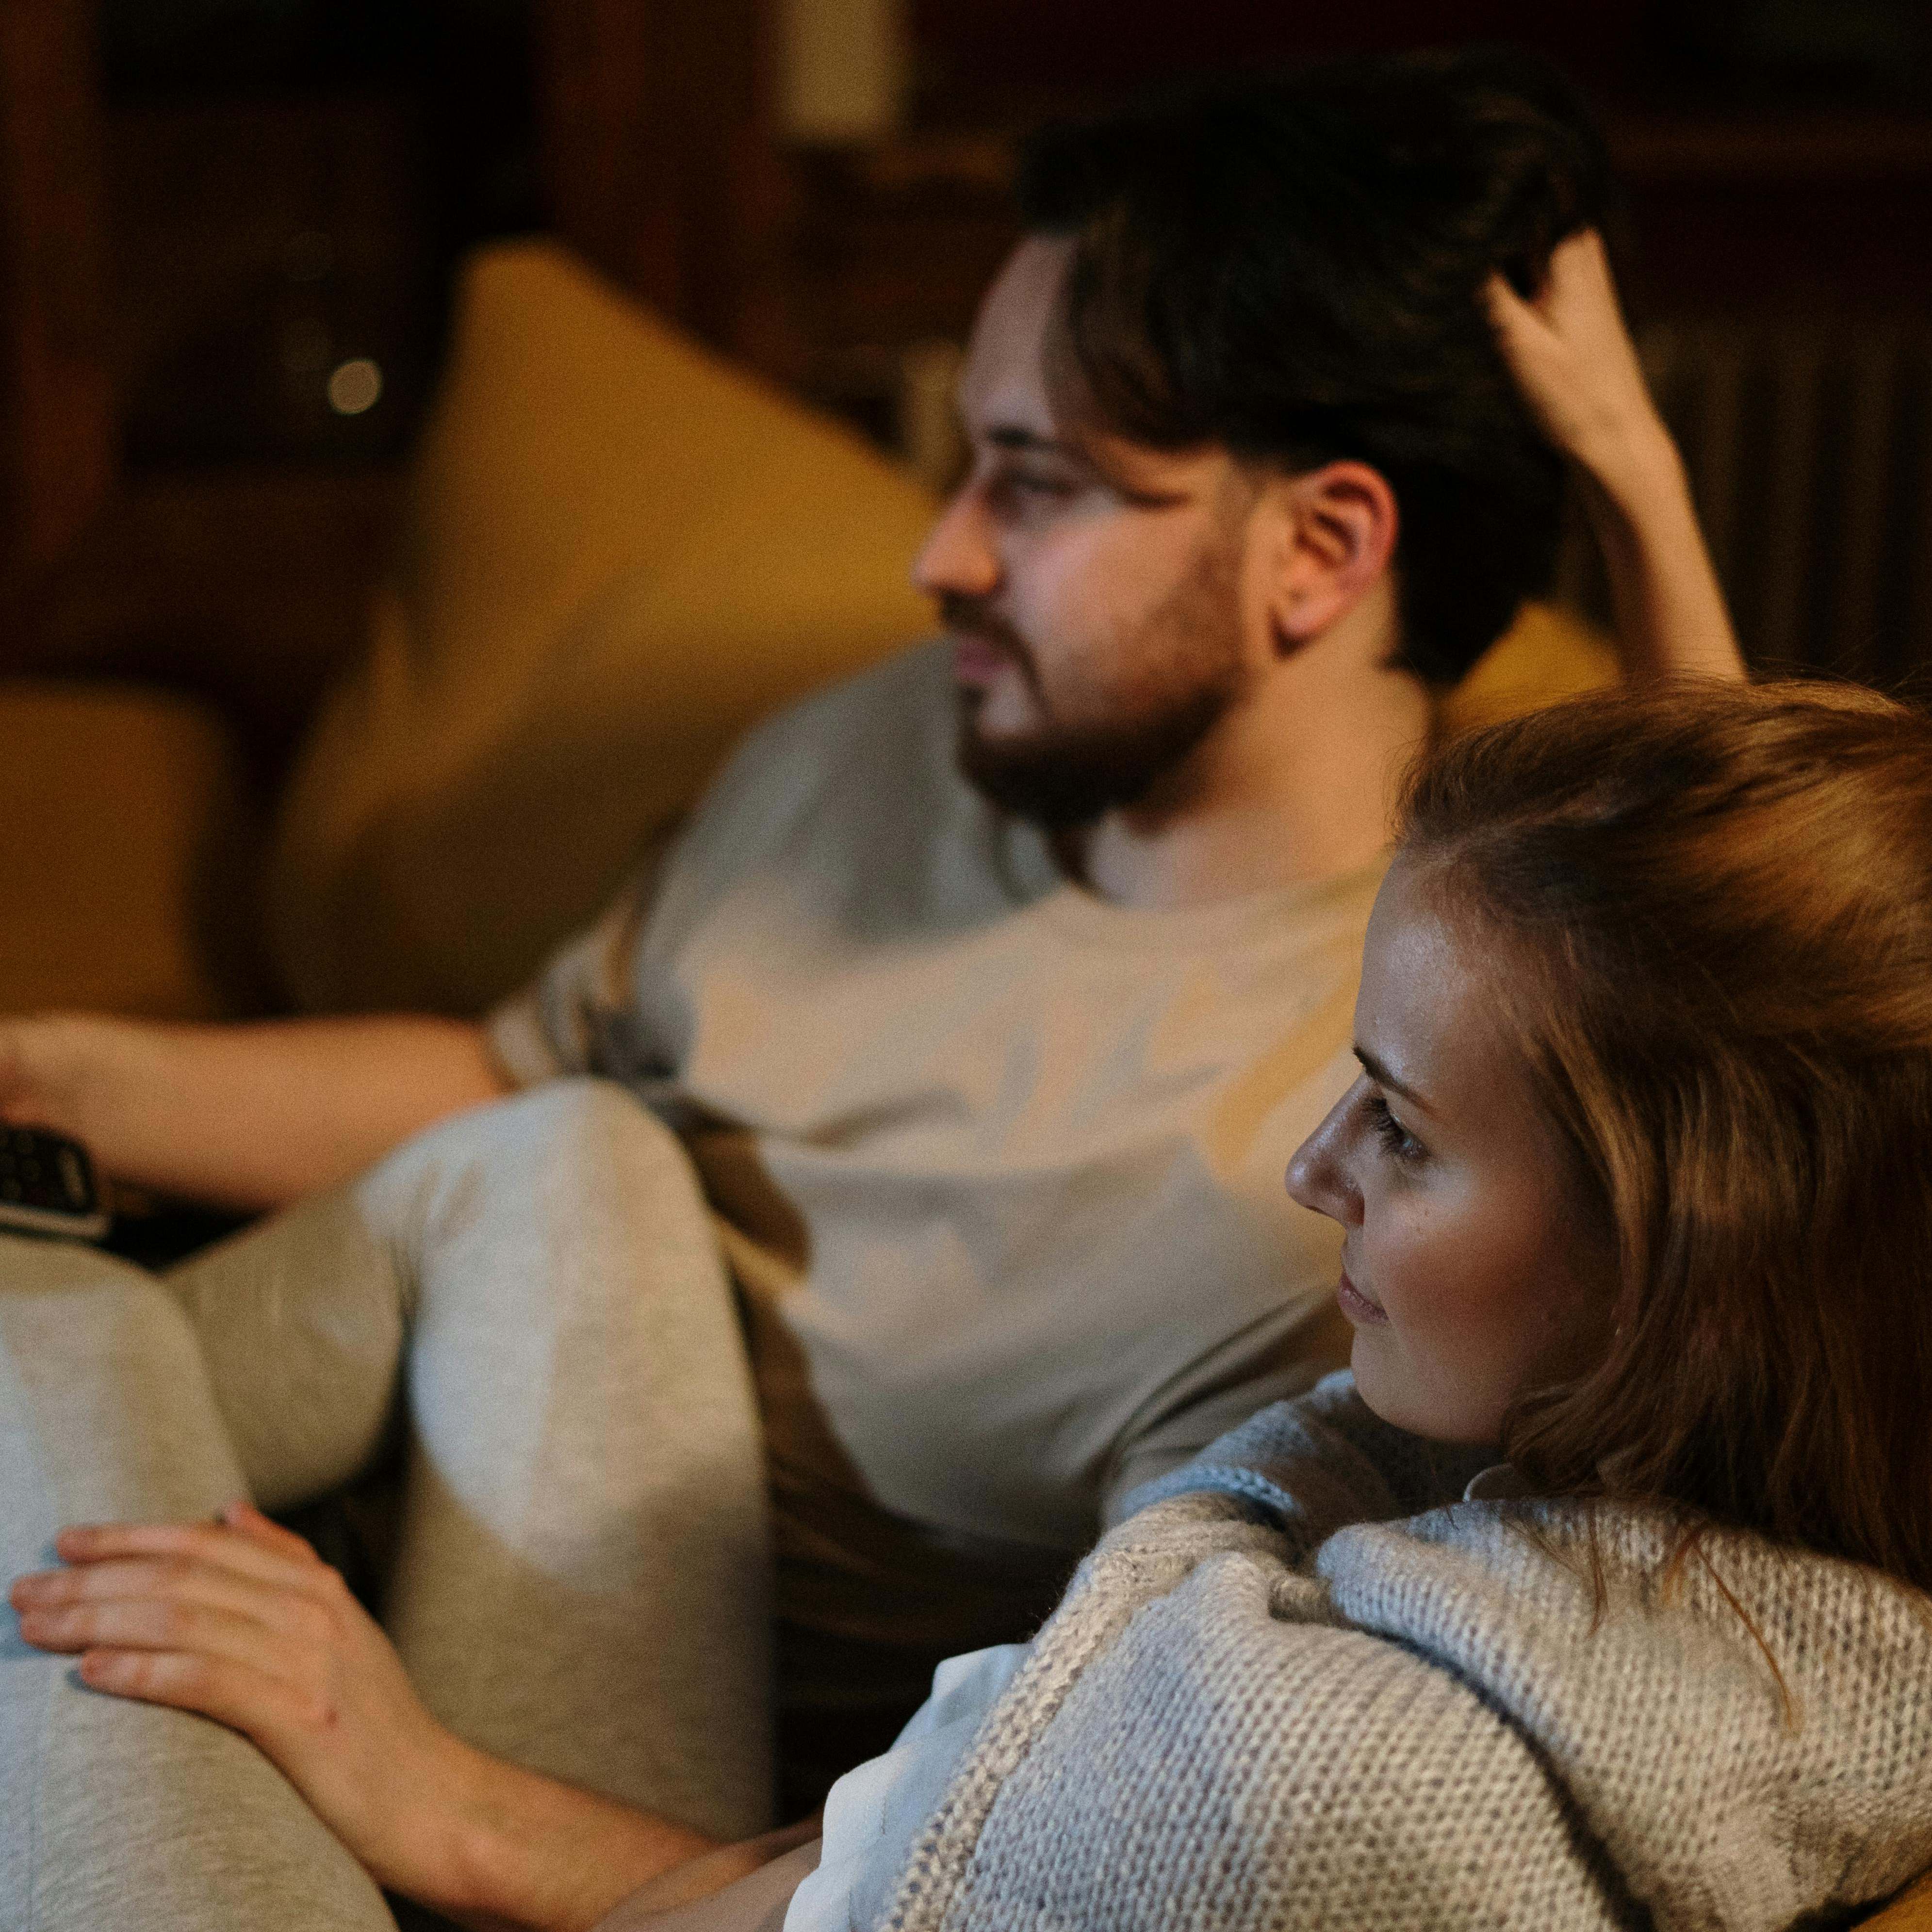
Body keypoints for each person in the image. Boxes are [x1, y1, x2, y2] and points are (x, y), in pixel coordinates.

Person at [0, 44, 1744, 1895]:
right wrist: (52, 1079)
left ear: (1320, 549)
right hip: (394, 1434)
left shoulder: (1380, 1134)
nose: (940, 554)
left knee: (59, 1351)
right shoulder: (901, 747)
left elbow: (1747, 1055)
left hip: (626, 1791)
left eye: (1039, 483)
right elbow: (515, 1091)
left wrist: (1636, 483)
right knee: (552, 1163)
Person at [18, 678, 1932, 1932]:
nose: (1315, 1168)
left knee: (67, 1348)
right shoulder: (1744, 1563)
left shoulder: (1329, 1778)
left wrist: (409, 1785)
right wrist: (435, 1799)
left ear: (1702, 1277)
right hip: (737, 1876)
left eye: (1409, 1138)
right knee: (571, 1150)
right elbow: (913, 1878)